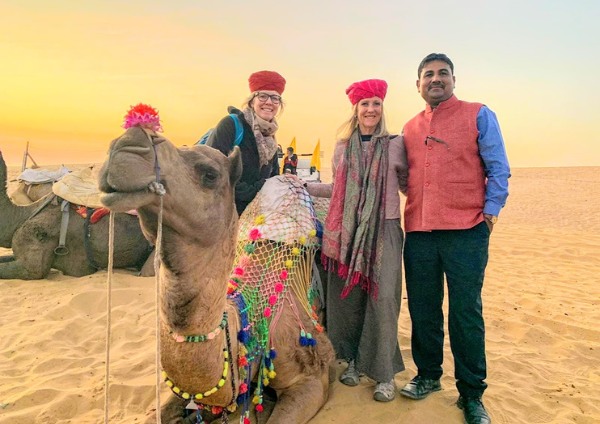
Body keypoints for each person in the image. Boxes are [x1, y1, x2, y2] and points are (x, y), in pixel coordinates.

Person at [399, 53, 510, 424]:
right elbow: (404, 177)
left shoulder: (479, 114)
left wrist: (490, 214)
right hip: (419, 232)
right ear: (418, 85)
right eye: (427, 74)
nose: (435, 79)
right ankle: (428, 375)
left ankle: (472, 394)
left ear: (453, 80)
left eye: (442, 73)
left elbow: (498, 168)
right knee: (423, 310)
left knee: (465, 313)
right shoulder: (410, 127)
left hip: (467, 230)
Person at [306, 79, 408, 402]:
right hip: (346, 232)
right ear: (356, 109)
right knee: (347, 300)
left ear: (382, 108)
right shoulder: (341, 147)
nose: (371, 110)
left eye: (376, 104)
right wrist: (301, 187)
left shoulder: (396, 144)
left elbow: (410, 184)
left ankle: (384, 374)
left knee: (383, 301)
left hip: (385, 229)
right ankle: (351, 361)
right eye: (365, 104)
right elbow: (337, 190)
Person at [207, 70, 284, 215]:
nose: (269, 102)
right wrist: (257, 189)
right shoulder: (231, 125)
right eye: (262, 96)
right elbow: (212, 171)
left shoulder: (270, 137)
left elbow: (273, 176)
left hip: (254, 216)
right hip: (222, 214)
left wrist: (285, 180)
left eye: (275, 98)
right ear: (252, 100)